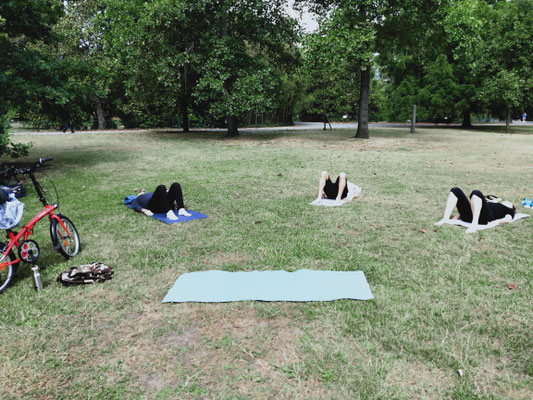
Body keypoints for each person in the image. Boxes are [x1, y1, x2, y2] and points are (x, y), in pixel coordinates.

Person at [435, 187, 515, 233]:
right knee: (455, 190)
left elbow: (507, 219)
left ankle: (474, 224)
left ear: (512, 206)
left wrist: (495, 222)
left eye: (510, 202)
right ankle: (445, 218)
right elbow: (474, 205)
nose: (507, 201)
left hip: (485, 218)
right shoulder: (492, 203)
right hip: (470, 216)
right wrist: (460, 215)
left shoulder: (509, 210)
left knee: (476, 192)